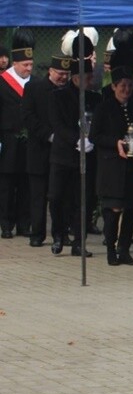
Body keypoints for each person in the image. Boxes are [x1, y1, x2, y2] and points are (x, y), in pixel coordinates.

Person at [48, 56, 100, 257]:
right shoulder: (58, 96)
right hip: (63, 155)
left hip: (86, 156)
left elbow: (97, 123)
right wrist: (77, 140)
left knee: (83, 200)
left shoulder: (94, 98)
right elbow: (58, 125)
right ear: (76, 78)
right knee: (56, 197)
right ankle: (58, 234)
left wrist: (91, 139)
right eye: (87, 77)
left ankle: (79, 241)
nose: (90, 81)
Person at [91, 66, 133, 266]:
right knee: (113, 210)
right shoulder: (104, 108)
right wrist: (115, 142)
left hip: (131, 167)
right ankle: (111, 249)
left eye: (129, 86)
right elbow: (95, 136)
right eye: (122, 86)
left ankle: (124, 249)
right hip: (111, 167)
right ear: (113, 86)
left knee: (130, 209)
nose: (126, 89)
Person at [22, 47, 73, 247]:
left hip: (62, 153)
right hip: (40, 150)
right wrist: (49, 135)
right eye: (60, 73)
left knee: (61, 196)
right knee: (38, 195)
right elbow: (28, 117)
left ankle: (61, 234)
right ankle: (37, 233)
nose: (63, 78)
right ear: (50, 71)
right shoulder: (34, 88)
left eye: (66, 74)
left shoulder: (69, 91)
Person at [0, 29, 34, 239]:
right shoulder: (2, 82)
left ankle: (24, 224)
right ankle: (6, 224)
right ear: (15, 64)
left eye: (31, 65)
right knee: (6, 184)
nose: (29, 69)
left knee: (26, 184)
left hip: (29, 143)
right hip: (8, 141)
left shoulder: (34, 83)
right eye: (25, 65)